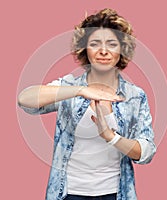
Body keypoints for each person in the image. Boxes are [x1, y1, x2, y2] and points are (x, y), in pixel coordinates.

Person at [18, 8, 156, 200]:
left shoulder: (135, 96)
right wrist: (80, 90)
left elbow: (146, 152)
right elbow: (25, 100)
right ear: (85, 49)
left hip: (116, 194)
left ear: (122, 50)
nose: (103, 51)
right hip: (68, 193)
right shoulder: (69, 86)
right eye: (95, 43)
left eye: (112, 44)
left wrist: (111, 137)